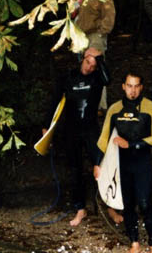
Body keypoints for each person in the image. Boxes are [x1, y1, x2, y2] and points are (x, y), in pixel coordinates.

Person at [94, 72, 152, 253]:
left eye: (136, 86)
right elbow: (103, 138)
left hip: (142, 162)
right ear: (123, 86)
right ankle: (134, 244)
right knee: (128, 205)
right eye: (129, 86)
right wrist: (97, 163)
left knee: (145, 202)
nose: (132, 91)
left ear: (141, 87)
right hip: (122, 164)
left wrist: (131, 144)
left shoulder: (150, 108)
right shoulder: (115, 109)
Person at [47, 47, 110, 226]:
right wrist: (47, 127)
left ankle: (109, 206)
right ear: (82, 59)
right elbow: (55, 102)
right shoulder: (68, 77)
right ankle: (80, 208)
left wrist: (100, 60)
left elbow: (108, 79)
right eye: (88, 62)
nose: (90, 67)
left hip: (90, 128)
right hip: (72, 129)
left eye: (94, 65)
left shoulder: (97, 78)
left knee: (100, 163)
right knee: (75, 169)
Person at [74, 0, 116, 111]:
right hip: (79, 35)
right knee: (83, 68)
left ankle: (100, 106)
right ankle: (85, 102)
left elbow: (109, 13)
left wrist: (101, 32)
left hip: (95, 35)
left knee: (97, 67)